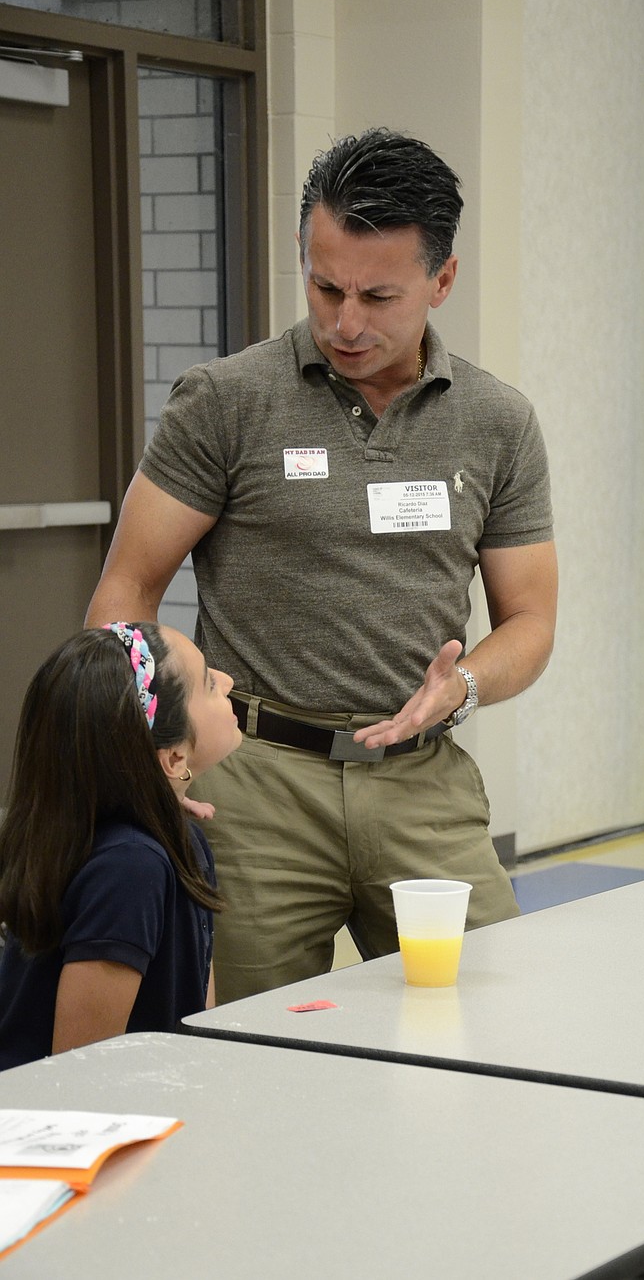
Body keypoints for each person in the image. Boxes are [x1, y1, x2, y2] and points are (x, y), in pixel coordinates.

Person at [85, 127, 558, 1003]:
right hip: (255, 784)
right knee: (242, 1049)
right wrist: (141, 766)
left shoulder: (498, 421)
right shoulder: (227, 401)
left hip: (422, 781)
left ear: (442, 280)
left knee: (493, 1019)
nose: (344, 322)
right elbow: (126, 594)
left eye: (378, 296)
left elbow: (529, 620)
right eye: (324, 285)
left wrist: (466, 687)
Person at [0, 623, 242, 1070]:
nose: (227, 681)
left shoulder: (182, 841)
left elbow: (194, 1025)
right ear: (173, 759)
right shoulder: (129, 870)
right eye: (208, 683)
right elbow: (80, 1075)